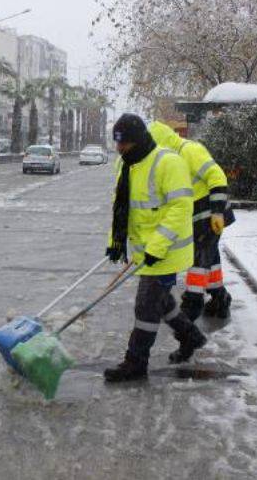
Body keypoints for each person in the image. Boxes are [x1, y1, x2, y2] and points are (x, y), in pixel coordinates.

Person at [104, 114, 207, 382]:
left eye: (124, 144)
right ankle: (191, 336)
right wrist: (114, 243)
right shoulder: (126, 164)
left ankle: (135, 363)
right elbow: (121, 209)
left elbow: (180, 208)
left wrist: (157, 246)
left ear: (137, 140)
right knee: (162, 303)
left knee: (146, 307)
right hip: (146, 250)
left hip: (167, 250)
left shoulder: (168, 162)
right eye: (117, 144)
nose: (119, 149)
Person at [149, 121, 234, 320]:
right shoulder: (168, 160)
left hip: (212, 213)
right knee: (210, 259)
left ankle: (191, 304)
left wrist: (217, 212)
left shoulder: (190, 150)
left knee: (198, 259)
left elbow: (217, 177)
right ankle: (220, 299)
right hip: (197, 215)